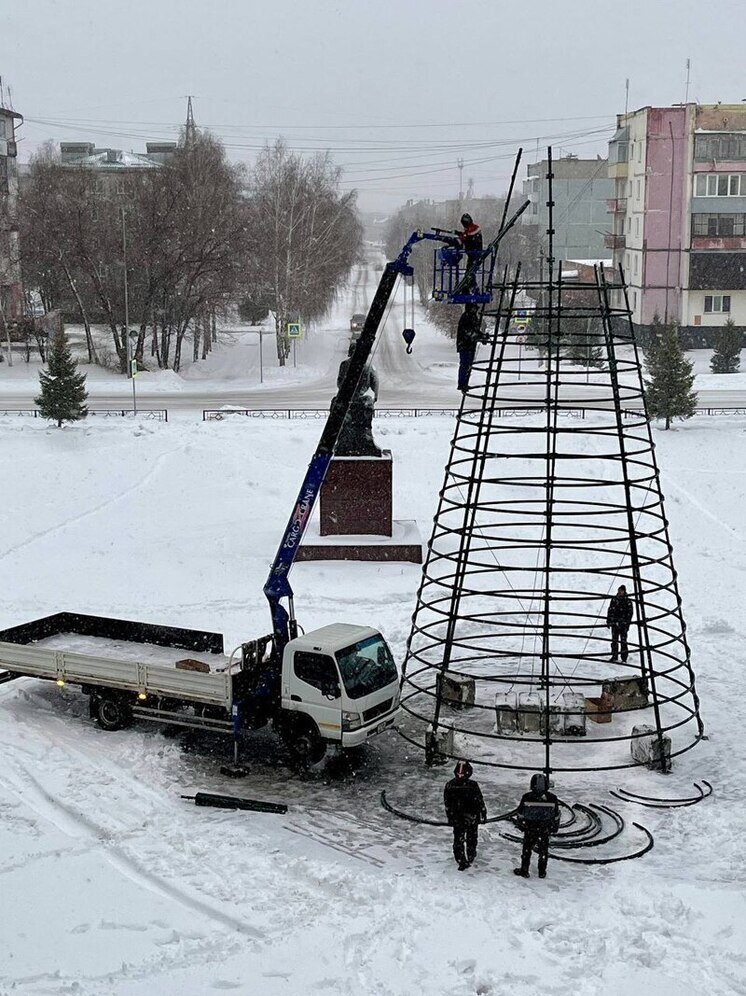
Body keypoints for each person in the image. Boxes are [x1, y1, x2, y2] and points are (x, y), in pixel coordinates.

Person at [513, 773, 560, 879]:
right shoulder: (552, 798)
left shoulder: (527, 797)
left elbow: (520, 813)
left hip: (530, 828)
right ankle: (542, 871)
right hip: (545, 829)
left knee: (527, 849)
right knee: (543, 850)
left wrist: (521, 825)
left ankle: (524, 870)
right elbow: (556, 815)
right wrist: (554, 827)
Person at [443, 759, 487, 871]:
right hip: (471, 816)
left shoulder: (450, 785)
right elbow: (479, 800)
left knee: (459, 839)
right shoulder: (472, 785)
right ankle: (469, 856)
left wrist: (450, 816)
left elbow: (447, 803)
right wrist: (482, 812)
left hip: (458, 817)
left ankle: (461, 859)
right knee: (470, 837)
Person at [456, 304, 483, 393]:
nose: (475, 310)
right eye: (474, 308)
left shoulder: (473, 317)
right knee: (465, 364)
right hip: (465, 345)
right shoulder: (466, 317)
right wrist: (477, 336)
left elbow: (474, 331)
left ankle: (465, 383)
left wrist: (481, 336)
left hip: (470, 345)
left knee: (468, 365)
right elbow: (467, 331)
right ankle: (462, 383)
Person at [606, 584, 634, 663]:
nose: (620, 592)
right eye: (619, 590)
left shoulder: (627, 601)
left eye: (621, 591)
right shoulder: (614, 600)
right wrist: (609, 620)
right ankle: (614, 656)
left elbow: (630, 613)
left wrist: (626, 623)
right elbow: (610, 610)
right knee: (614, 641)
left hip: (623, 625)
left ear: (624, 591)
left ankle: (624, 658)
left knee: (623, 641)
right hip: (615, 624)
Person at [458, 213, 483, 291]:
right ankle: (469, 286)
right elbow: (467, 236)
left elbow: (470, 237)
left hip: (475, 254)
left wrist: (463, 238)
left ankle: (472, 287)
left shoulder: (473, 230)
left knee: (470, 272)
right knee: (469, 271)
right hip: (472, 254)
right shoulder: (470, 229)